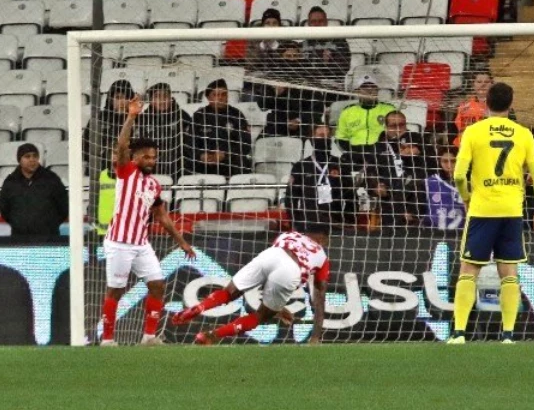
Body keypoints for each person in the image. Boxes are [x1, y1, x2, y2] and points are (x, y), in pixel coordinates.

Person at [450, 82, 534, 343]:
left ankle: (459, 333)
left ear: (486, 103)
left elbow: (459, 175)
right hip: (511, 211)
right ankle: (507, 335)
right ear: (511, 103)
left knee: (468, 270)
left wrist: (467, 198)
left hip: (482, 209)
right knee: (509, 274)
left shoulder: (473, 132)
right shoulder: (524, 134)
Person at [99, 96, 197, 346]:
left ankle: (149, 337)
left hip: (141, 244)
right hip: (119, 241)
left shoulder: (153, 184)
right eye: (147, 157)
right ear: (136, 157)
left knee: (157, 285)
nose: (152, 161)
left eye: (154, 157)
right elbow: (122, 146)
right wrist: (131, 116)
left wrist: (182, 242)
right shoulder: (126, 171)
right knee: (116, 291)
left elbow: (162, 216)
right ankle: (108, 339)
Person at [170, 230, 328, 345]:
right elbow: (320, 296)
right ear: (323, 240)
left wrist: (277, 307)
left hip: (272, 254)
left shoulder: (290, 234)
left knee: (229, 292)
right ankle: (211, 336)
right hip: (292, 269)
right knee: (260, 316)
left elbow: (270, 272)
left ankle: (199, 307)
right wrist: (315, 336)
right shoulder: (322, 256)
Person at [285, 123, 356, 233]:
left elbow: (351, 196)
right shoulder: (301, 166)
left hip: (336, 223)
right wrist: (296, 222)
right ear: (312, 139)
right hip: (309, 223)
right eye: (321, 135)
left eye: (328, 136)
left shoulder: (341, 164)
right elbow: (291, 198)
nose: (325, 139)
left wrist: (348, 220)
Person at [363, 111, 428, 227]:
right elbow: (369, 175)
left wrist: (418, 152)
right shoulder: (378, 147)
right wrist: (376, 186)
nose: (398, 129)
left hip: (415, 197)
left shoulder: (418, 140)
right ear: (386, 127)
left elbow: (432, 164)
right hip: (390, 199)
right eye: (394, 126)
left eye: (402, 125)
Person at [0, 144, 69, 240]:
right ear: (19, 160)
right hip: (19, 239)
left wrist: (49, 225)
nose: (32, 159)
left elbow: (63, 206)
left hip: (49, 239)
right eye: (27, 156)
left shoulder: (51, 179)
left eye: (35, 156)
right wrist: (18, 224)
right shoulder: (11, 182)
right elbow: (4, 209)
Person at [190, 78, 253, 177]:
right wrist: (201, 155)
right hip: (205, 161)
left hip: (229, 161)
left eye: (223, 94)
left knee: (242, 162)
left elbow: (245, 143)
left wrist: (225, 154)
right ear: (208, 97)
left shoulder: (236, 114)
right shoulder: (199, 116)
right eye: (215, 95)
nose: (220, 98)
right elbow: (190, 141)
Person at [136, 82, 190, 181]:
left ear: (170, 98)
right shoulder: (143, 119)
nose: (162, 100)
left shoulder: (182, 116)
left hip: (176, 162)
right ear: (151, 100)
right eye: (157, 96)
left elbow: (189, 142)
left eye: (165, 96)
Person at [336, 80, 397, 162]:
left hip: (382, 152)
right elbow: (341, 137)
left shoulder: (389, 109)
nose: (369, 92)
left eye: (373, 89)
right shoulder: (348, 111)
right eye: (365, 89)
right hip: (355, 152)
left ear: (377, 92)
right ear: (358, 92)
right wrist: (352, 151)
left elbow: (397, 132)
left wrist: (383, 147)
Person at [299, 6, 352, 89]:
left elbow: (342, 69)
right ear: (309, 24)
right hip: (307, 87)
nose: (317, 25)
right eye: (313, 22)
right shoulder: (303, 44)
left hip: (332, 88)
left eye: (320, 21)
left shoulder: (339, 42)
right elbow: (299, 70)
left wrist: (323, 65)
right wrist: (324, 63)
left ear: (326, 23)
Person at [425, 148, 468, 230]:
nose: (449, 165)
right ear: (439, 162)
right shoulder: (429, 183)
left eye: (453, 161)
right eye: (445, 161)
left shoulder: (469, 182)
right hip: (435, 235)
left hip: (462, 233)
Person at [455, 70, 494, 139]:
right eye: (479, 82)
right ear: (473, 85)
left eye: (487, 82)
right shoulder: (462, 106)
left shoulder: (501, 106)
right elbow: (454, 130)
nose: (483, 85)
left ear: (492, 84)